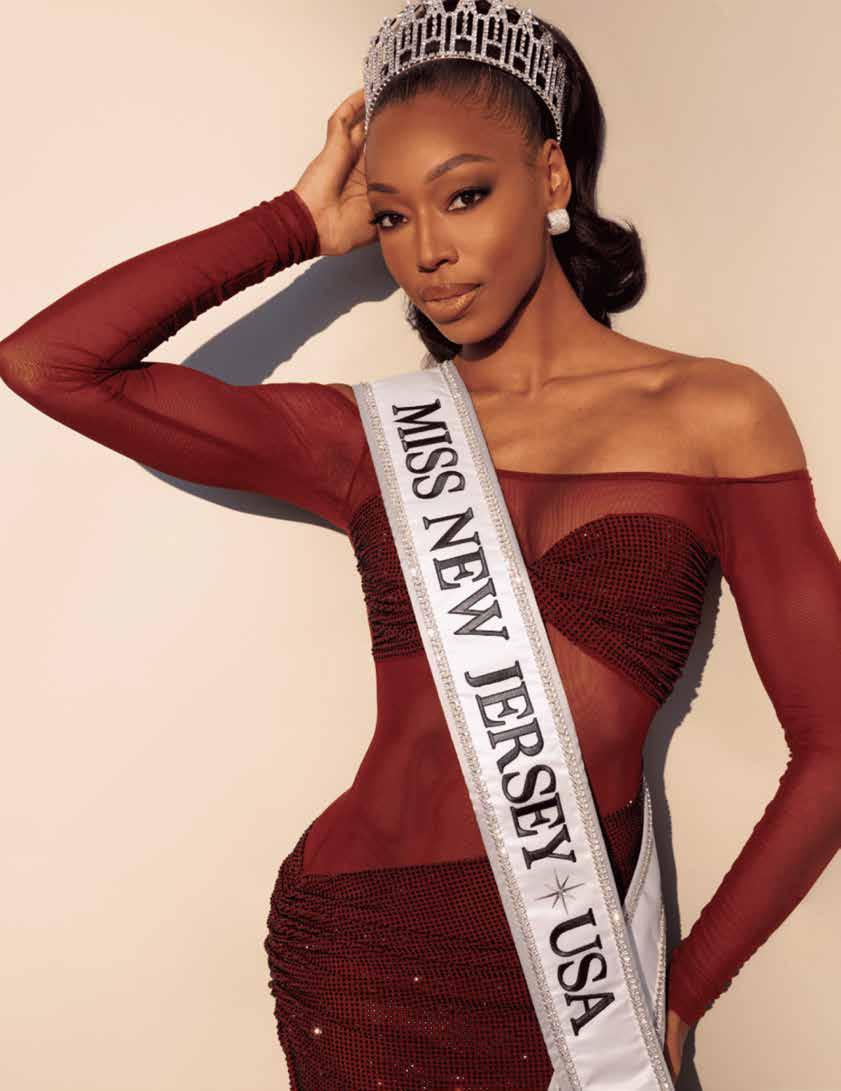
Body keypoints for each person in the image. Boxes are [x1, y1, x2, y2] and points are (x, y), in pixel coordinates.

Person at [1, 4, 839, 1087]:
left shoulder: (717, 415)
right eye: (393, 216)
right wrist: (294, 222)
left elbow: (832, 742)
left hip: (576, 982)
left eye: (464, 196)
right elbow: (49, 364)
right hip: (357, 958)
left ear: (550, 176)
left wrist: (684, 989)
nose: (427, 253)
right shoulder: (372, 438)